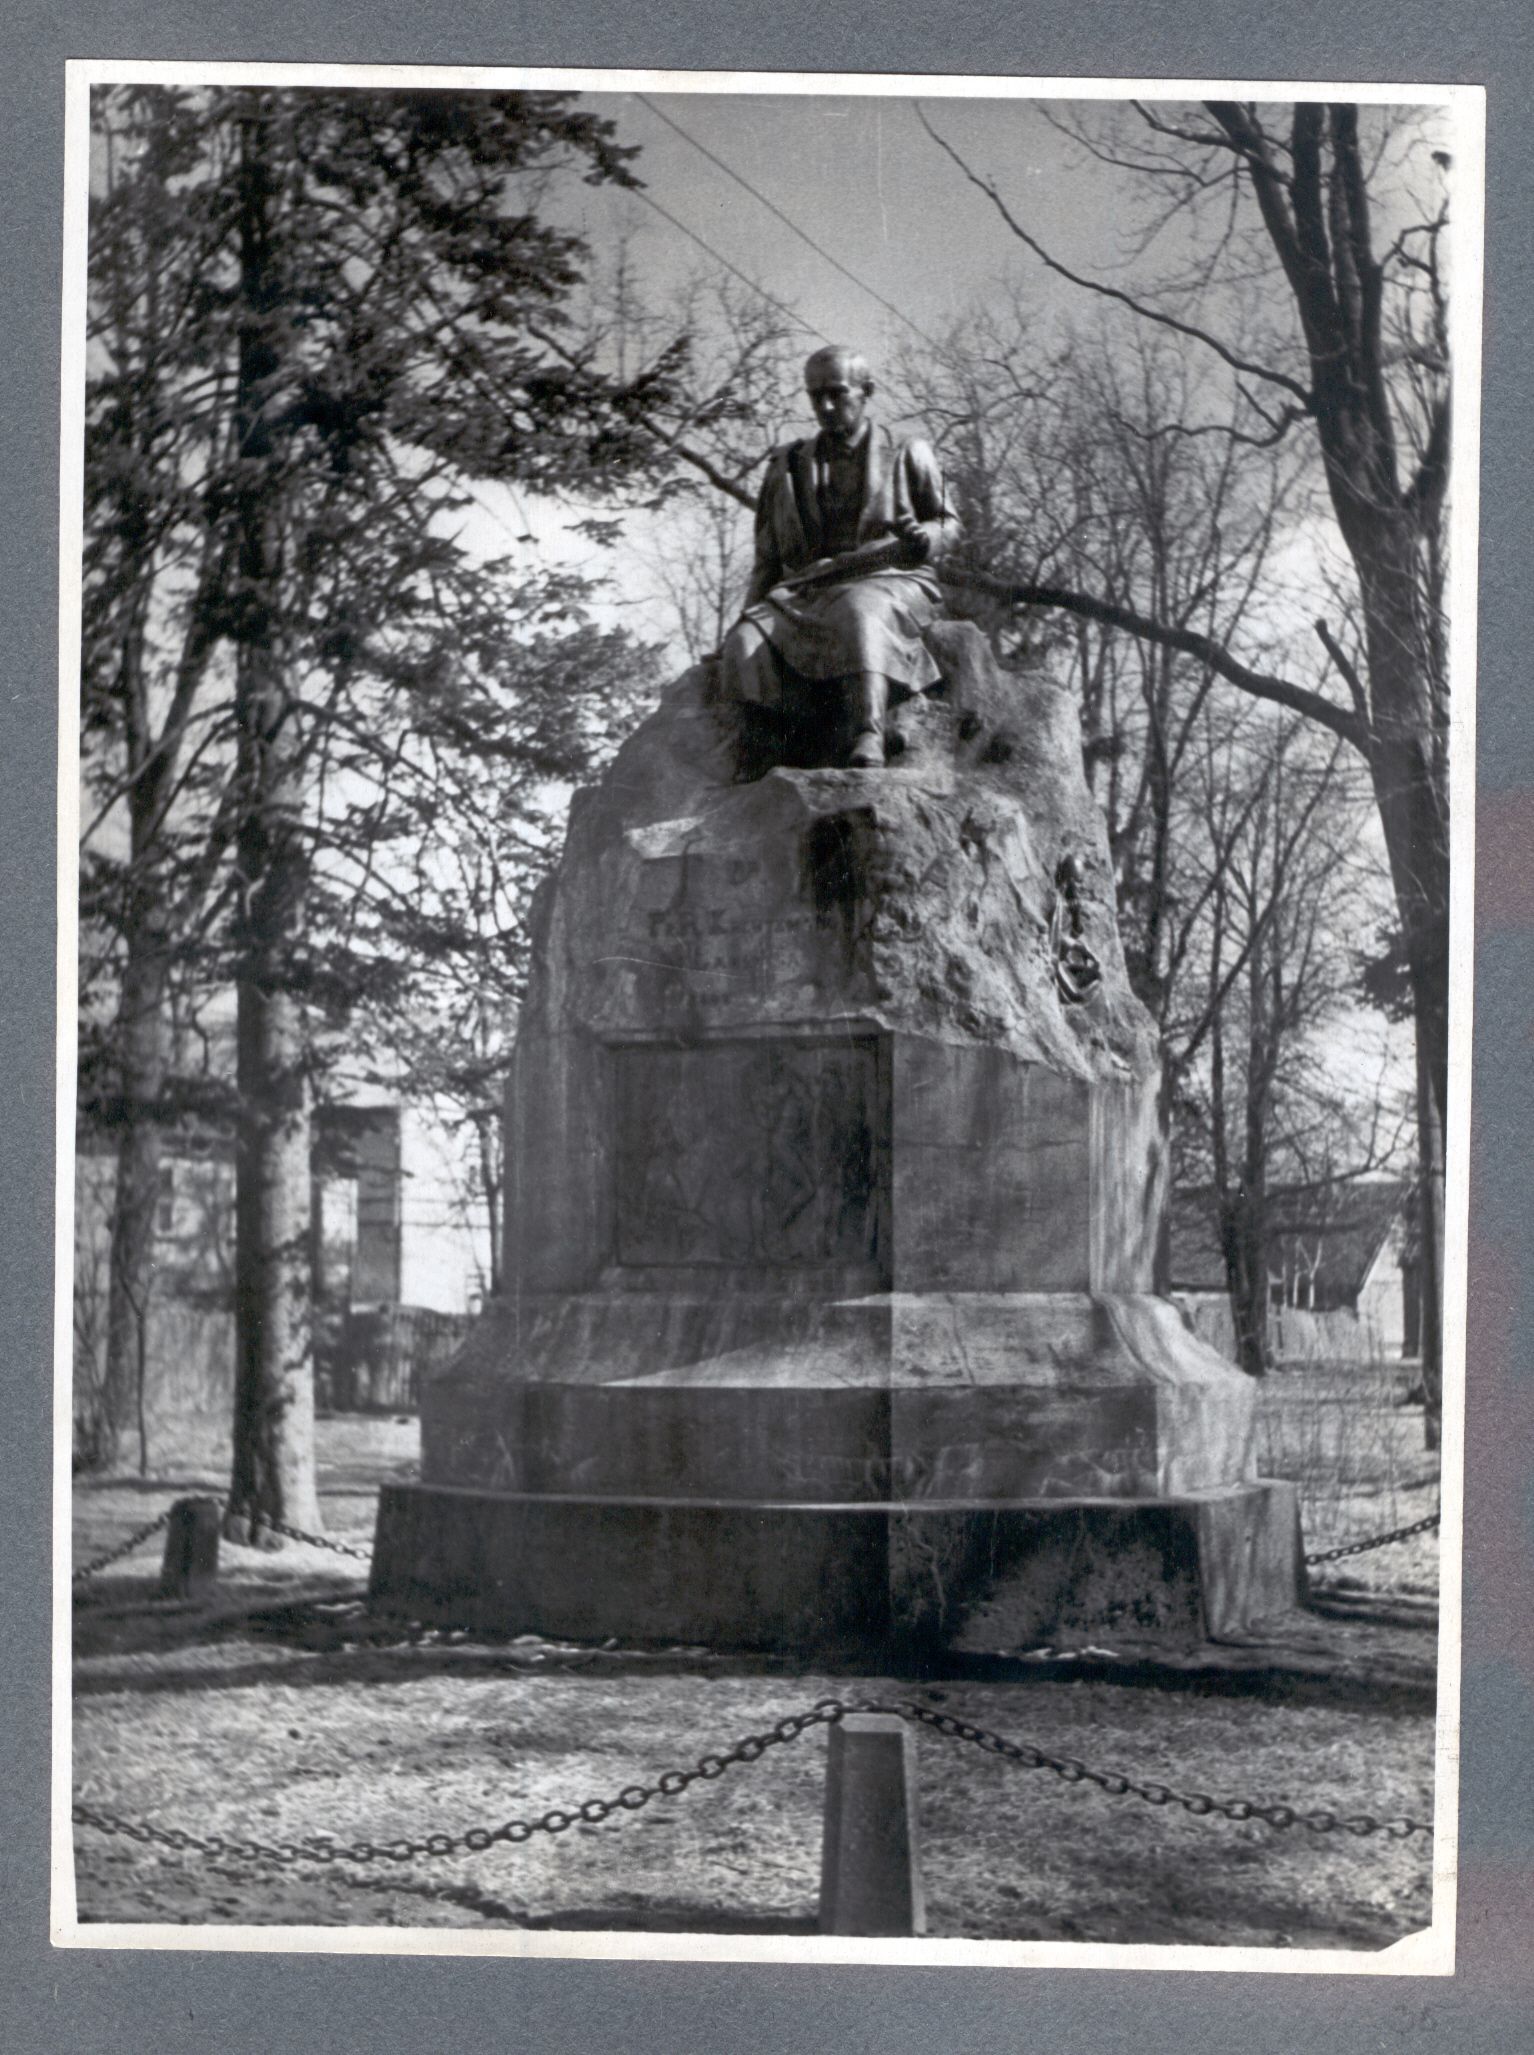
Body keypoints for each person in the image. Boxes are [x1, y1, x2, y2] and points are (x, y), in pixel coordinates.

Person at [719, 346, 960, 769]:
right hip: (810, 589)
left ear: (866, 391)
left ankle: (868, 731)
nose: (825, 406)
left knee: (860, 610)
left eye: (837, 393)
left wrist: (925, 539)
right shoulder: (787, 465)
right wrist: (745, 614)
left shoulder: (907, 450)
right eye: (815, 396)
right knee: (744, 643)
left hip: (889, 575)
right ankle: (766, 743)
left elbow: (950, 524)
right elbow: (767, 558)